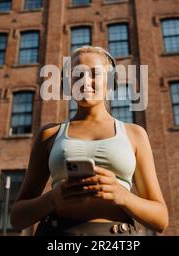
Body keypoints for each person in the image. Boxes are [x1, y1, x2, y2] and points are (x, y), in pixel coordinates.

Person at [10, 45, 169, 236]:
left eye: (94, 74)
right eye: (77, 75)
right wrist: (53, 198)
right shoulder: (50, 134)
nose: (85, 82)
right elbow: (18, 218)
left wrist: (121, 195)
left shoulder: (134, 134)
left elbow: (161, 221)